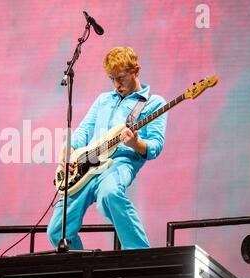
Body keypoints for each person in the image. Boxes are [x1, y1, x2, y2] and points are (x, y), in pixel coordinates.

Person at [47, 47, 168, 250]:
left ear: (136, 71)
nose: (117, 84)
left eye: (121, 77)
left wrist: (135, 144)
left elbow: (155, 145)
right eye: (112, 78)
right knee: (57, 232)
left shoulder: (153, 103)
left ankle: (140, 256)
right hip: (88, 164)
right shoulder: (104, 99)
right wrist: (68, 152)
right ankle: (82, 270)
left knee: (109, 195)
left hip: (120, 162)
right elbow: (84, 130)